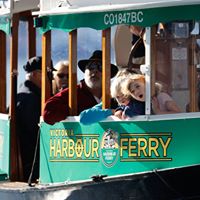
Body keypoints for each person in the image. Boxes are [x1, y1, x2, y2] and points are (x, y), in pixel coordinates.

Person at [43, 50, 118, 125]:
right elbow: (48, 113)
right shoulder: (73, 93)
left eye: (101, 67)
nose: (95, 71)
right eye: (91, 67)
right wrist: (74, 110)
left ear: (109, 74)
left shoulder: (115, 95)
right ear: (84, 72)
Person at [16, 56, 53, 182]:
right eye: (48, 73)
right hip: (32, 165)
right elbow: (35, 134)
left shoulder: (24, 92)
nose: (51, 78)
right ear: (37, 74)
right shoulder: (31, 98)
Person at [79, 69, 145, 125]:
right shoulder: (113, 101)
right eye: (118, 96)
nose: (122, 98)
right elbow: (83, 118)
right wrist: (112, 111)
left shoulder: (143, 100)